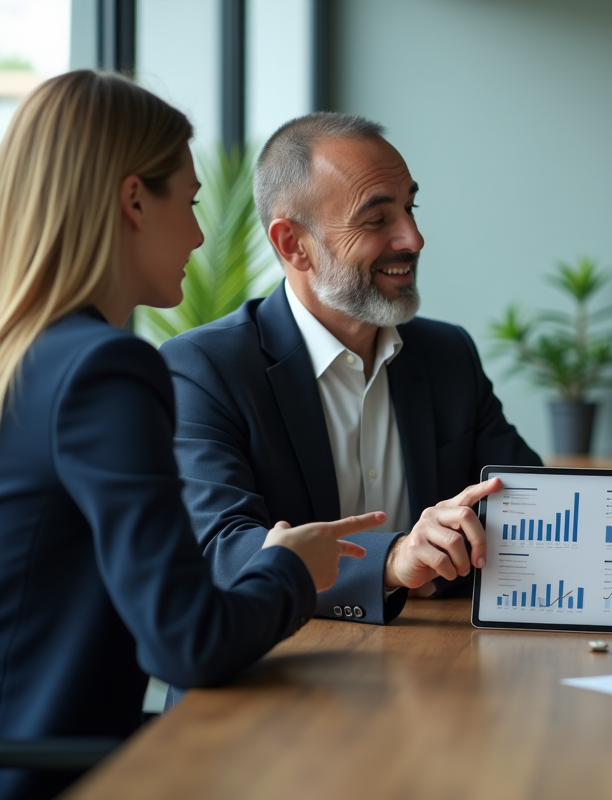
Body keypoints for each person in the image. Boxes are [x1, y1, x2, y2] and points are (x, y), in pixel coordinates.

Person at [0, 72, 384, 800]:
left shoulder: (26, 358)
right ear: (134, 200)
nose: (203, 234)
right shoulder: (102, 370)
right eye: (193, 200)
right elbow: (187, 641)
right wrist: (292, 567)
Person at [159, 113, 540, 626]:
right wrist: (391, 560)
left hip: (434, 671)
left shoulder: (448, 354)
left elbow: (533, 507)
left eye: (410, 207)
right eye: (377, 219)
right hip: (271, 682)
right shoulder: (205, 368)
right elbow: (223, 550)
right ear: (293, 243)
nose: (413, 238)